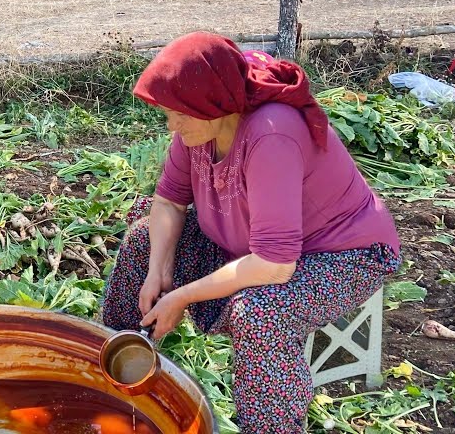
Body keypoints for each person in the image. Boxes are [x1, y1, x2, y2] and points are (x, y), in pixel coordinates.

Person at [101, 32, 402, 434]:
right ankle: (118, 369)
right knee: (144, 238)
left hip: (340, 254)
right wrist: (159, 271)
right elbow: (169, 201)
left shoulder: (271, 133)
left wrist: (181, 296)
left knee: (260, 313)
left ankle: (273, 426)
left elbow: (275, 265)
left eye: (181, 114)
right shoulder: (201, 126)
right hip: (252, 243)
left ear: (216, 104)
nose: (172, 125)